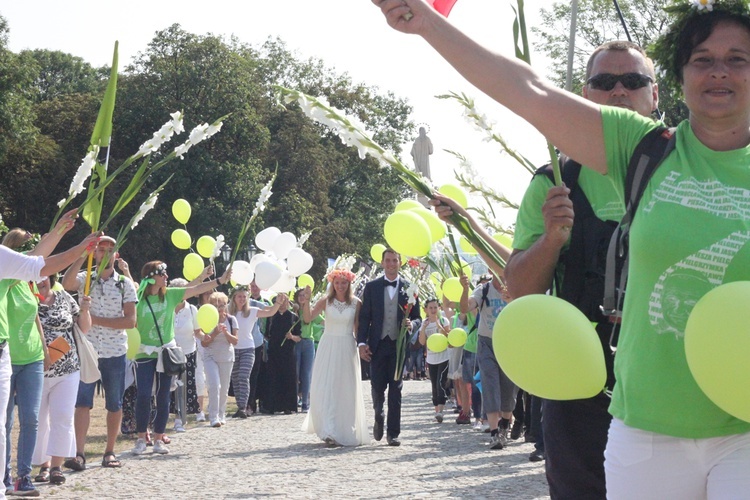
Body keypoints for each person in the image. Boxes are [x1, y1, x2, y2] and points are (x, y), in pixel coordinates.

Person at [375, 1, 750, 496]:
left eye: (739, 58)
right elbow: (527, 89)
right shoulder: (642, 148)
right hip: (647, 426)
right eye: (702, 58)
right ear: (681, 77)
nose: (719, 71)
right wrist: (428, 24)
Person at [504, 41, 659, 498]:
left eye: (633, 81)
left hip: (667, 375)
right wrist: (552, 239)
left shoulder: (687, 173)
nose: (618, 92)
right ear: (582, 96)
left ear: (656, 95)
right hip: (577, 380)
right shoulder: (552, 181)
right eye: (603, 82)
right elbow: (519, 291)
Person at [131, 262, 230, 453]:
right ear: (152, 277)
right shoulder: (138, 299)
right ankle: (141, 437)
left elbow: (195, 288)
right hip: (144, 352)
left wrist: (218, 280)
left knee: (163, 395)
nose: (166, 277)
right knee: (143, 395)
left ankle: (159, 437)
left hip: (165, 352)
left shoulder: (170, 295)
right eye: (162, 274)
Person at [61, 235, 137, 470]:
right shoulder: (87, 279)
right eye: (101, 250)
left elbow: (130, 321)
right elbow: (66, 283)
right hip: (89, 351)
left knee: (114, 403)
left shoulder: (125, 284)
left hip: (114, 352)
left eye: (109, 250)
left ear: (117, 254)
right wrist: (83, 253)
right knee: (82, 402)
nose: (105, 254)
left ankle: (110, 451)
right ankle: (79, 453)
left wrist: (94, 320)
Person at [357, 248, 421, 446]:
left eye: (395, 260)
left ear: (399, 263)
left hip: (399, 346)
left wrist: (413, 325)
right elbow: (364, 317)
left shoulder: (410, 287)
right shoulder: (372, 287)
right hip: (377, 344)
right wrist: (361, 343)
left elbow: (418, 317)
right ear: (382, 263)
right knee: (377, 385)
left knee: (396, 388)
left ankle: (393, 433)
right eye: (388, 260)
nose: (391, 264)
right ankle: (379, 413)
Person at [33, 274, 91, 487]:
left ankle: (56, 466)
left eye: (43, 278)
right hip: (35, 369)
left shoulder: (64, 297)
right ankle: (43, 464)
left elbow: (84, 328)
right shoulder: (26, 298)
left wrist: (85, 309)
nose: (40, 282)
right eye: (35, 279)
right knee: (38, 421)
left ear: (50, 278)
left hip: (68, 369)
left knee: (63, 417)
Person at [300, 268, 367, 446]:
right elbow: (308, 318)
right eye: (337, 282)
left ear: (349, 283)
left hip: (346, 345)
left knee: (345, 387)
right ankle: (328, 428)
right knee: (327, 386)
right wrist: (305, 301)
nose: (340, 286)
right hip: (328, 345)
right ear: (332, 283)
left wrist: (361, 346)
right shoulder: (326, 301)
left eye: (344, 282)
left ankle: (345, 427)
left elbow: (357, 328)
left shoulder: (356, 303)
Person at [228, 286, 281, 419]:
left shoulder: (252, 311)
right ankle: (239, 405)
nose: (242, 299)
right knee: (235, 378)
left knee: (243, 376)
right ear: (234, 298)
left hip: (248, 348)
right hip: (233, 348)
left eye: (244, 296)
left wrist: (278, 303)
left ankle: (243, 407)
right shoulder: (229, 312)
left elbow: (270, 312)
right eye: (239, 296)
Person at [198, 291, 239, 428]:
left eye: (222, 305)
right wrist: (215, 332)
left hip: (226, 357)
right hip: (210, 356)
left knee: (224, 388)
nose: (220, 308)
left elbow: (235, 341)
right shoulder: (207, 320)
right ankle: (213, 416)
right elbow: (204, 343)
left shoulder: (232, 320)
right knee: (215, 385)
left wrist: (226, 332)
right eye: (216, 306)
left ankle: (222, 414)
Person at [168, 278, 201, 432]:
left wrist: (206, 336)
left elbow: (197, 331)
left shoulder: (192, 309)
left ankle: (180, 419)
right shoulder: (167, 307)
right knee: (169, 387)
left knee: (183, 386)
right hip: (168, 353)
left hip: (187, 353)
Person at [259, 293, 298, 414]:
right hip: (274, 350)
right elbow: (267, 332)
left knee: (288, 377)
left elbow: (299, 336)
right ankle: (272, 405)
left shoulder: (293, 317)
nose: (282, 304)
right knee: (272, 377)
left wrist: (292, 337)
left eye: (285, 301)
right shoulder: (271, 316)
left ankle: (288, 406)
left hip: (288, 351)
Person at [418, 298, 451, 423]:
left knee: (440, 383)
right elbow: (422, 342)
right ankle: (436, 410)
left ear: (439, 308)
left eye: (435, 307)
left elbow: (448, 338)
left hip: (444, 357)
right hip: (431, 358)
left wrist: (439, 326)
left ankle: (441, 411)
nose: (433, 310)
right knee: (434, 386)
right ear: (426, 310)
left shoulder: (444, 320)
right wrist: (423, 329)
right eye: (430, 308)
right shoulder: (424, 323)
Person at [292, 288, 320, 414]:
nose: (302, 298)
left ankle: (305, 402)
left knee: (307, 373)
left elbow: (322, 321)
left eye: (305, 295)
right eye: (300, 295)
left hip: (308, 342)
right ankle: (294, 399)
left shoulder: (311, 310)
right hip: (296, 343)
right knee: (295, 372)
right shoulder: (293, 311)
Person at [246, 280, 270, 415]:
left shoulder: (266, 303)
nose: (254, 289)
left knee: (261, 373)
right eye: (252, 286)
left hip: (261, 341)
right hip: (247, 340)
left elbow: (270, 319)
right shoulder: (244, 301)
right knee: (249, 374)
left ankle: (262, 401)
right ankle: (250, 402)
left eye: (256, 286)